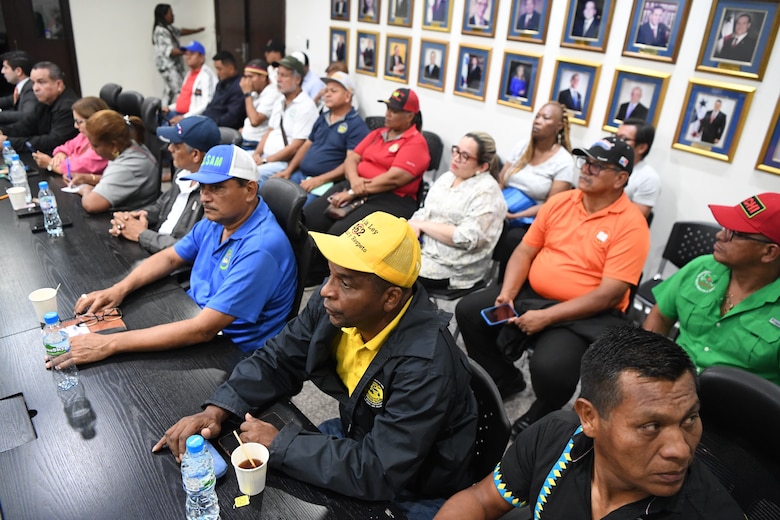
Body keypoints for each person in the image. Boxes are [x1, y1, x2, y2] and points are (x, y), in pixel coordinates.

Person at [153, 211, 478, 518]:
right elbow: (278, 358)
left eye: (346, 282)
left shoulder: (426, 365)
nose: (326, 290)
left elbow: (379, 470)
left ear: (391, 298)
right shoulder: (339, 309)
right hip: (359, 434)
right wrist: (218, 409)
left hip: (414, 484)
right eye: (330, 273)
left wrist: (281, 442)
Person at [434, 326, 745, 520]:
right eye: (651, 426)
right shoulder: (555, 436)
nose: (680, 450)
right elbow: (482, 500)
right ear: (589, 417)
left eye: (690, 419)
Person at [456, 136, 649, 438]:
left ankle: (543, 408)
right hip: (533, 294)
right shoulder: (561, 202)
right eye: (585, 162)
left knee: (552, 369)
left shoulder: (631, 224)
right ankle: (505, 378)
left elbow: (609, 294)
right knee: (469, 311)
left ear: (621, 178)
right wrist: (507, 292)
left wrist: (547, 317)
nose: (586, 169)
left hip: (585, 311)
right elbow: (524, 251)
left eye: (598, 166)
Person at [61, 144, 297, 364]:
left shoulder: (261, 248)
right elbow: (171, 257)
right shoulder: (220, 219)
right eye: (203, 187)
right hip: (193, 313)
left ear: (249, 190)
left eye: (217, 187)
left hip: (231, 352)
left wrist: (109, 344)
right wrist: (119, 289)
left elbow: (204, 329)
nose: (205, 197)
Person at [644, 192, 780, 386]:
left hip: (737, 407)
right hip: (673, 384)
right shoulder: (702, 267)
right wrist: (648, 364)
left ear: (769, 252)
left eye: (734, 233)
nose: (720, 235)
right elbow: (660, 316)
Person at [303, 88, 430, 240]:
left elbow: (393, 179)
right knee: (308, 219)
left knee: (340, 235)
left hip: (389, 198)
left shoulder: (416, 143)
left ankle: (325, 264)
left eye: (394, 111)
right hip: (356, 186)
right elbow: (352, 159)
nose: (388, 114)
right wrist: (354, 180)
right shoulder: (378, 133)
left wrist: (353, 192)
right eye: (388, 108)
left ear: (410, 116)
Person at [109, 115, 220, 253]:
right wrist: (134, 218)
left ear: (195, 155)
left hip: (173, 263)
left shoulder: (213, 197)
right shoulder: (182, 173)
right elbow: (161, 206)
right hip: (155, 244)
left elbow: (190, 249)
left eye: (176, 145)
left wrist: (142, 234)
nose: (170, 148)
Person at [409, 132, 506, 291]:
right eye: (456, 150)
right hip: (424, 249)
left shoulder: (487, 193)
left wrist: (423, 225)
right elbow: (426, 210)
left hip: (452, 266)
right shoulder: (448, 177)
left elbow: (466, 237)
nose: (456, 158)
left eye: (465, 156)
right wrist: (413, 226)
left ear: (483, 166)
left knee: (395, 274)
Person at [492, 102, 573, 277]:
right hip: (504, 205)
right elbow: (501, 180)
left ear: (559, 127)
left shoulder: (564, 161)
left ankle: (501, 282)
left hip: (531, 218)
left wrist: (515, 216)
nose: (538, 121)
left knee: (512, 237)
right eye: (537, 116)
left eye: (545, 118)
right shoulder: (522, 146)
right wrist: (494, 203)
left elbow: (552, 205)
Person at [271, 72, 369, 203]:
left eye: (333, 91)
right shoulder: (323, 117)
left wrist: (319, 180)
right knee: (271, 195)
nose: (327, 94)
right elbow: (307, 145)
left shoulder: (356, 125)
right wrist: (289, 170)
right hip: (301, 174)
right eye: (326, 90)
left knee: (296, 209)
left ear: (347, 96)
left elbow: (350, 162)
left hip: (326, 183)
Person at [75, 110, 158, 213]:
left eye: (95, 145)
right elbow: (116, 179)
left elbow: (91, 204)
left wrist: (85, 190)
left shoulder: (128, 165)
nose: (92, 149)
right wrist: (87, 178)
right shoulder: (129, 145)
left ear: (113, 146)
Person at [253, 56, 318, 184]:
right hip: (265, 158)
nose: (278, 79)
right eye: (278, 74)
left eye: (284, 76)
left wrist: (266, 160)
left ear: (298, 79)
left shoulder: (306, 106)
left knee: (251, 175)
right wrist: (256, 154)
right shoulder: (280, 101)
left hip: (282, 162)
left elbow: (295, 147)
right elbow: (270, 131)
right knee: (234, 161)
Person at [0, 61, 78, 155]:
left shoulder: (67, 107)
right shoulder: (45, 100)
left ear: (59, 85)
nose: (35, 88)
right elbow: (28, 125)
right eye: (33, 83)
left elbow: (52, 141)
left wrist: (9, 142)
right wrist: (3, 131)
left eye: (41, 82)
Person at [31, 96, 109, 177]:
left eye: (79, 122)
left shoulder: (104, 144)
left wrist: (50, 163)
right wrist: (62, 153)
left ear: (94, 120)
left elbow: (79, 167)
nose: (75, 126)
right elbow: (68, 146)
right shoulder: (84, 136)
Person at [152, 4, 204, 105]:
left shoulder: (168, 28)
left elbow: (180, 31)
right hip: (168, 67)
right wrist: (189, 51)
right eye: (170, 13)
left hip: (174, 66)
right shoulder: (161, 31)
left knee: (169, 91)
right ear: (164, 15)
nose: (173, 15)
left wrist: (197, 30)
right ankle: (179, 113)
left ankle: (164, 111)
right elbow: (171, 51)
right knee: (179, 90)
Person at [162, 41, 218, 125]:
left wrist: (185, 117)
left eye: (191, 54)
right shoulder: (189, 74)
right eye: (186, 54)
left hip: (192, 118)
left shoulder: (206, 75)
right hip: (178, 113)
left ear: (202, 57)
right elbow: (184, 100)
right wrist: (169, 108)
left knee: (164, 130)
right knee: (156, 118)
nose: (187, 57)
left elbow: (206, 104)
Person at [617, 118, 660, 219]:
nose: (617, 142)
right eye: (616, 137)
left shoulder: (648, 178)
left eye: (624, 139)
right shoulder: (605, 164)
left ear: (642, 148)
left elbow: (634, 219)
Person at [238, 59, 280, 151]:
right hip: (245, 139)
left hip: (256, 144)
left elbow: (255, 121)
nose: (247, 81)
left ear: (263, 77)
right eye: (245, 77)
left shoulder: (272, 93)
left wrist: (247, 94)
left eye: (251, 77)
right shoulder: (256, 92)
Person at [202, 51, 245, 129]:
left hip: (222, 128)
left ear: (231, 69)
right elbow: (212, 106)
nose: (217, 73)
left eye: (219, 69)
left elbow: (231, 118)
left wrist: (209, 124)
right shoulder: (220, 84)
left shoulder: (239, 87)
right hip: (209, 122)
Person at [0, 50, 37, 124]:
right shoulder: (22, 87)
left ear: (18, 71)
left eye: (5, 67)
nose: (2, 71)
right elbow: (8, 100)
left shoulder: (31, 89)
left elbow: (26, 115)